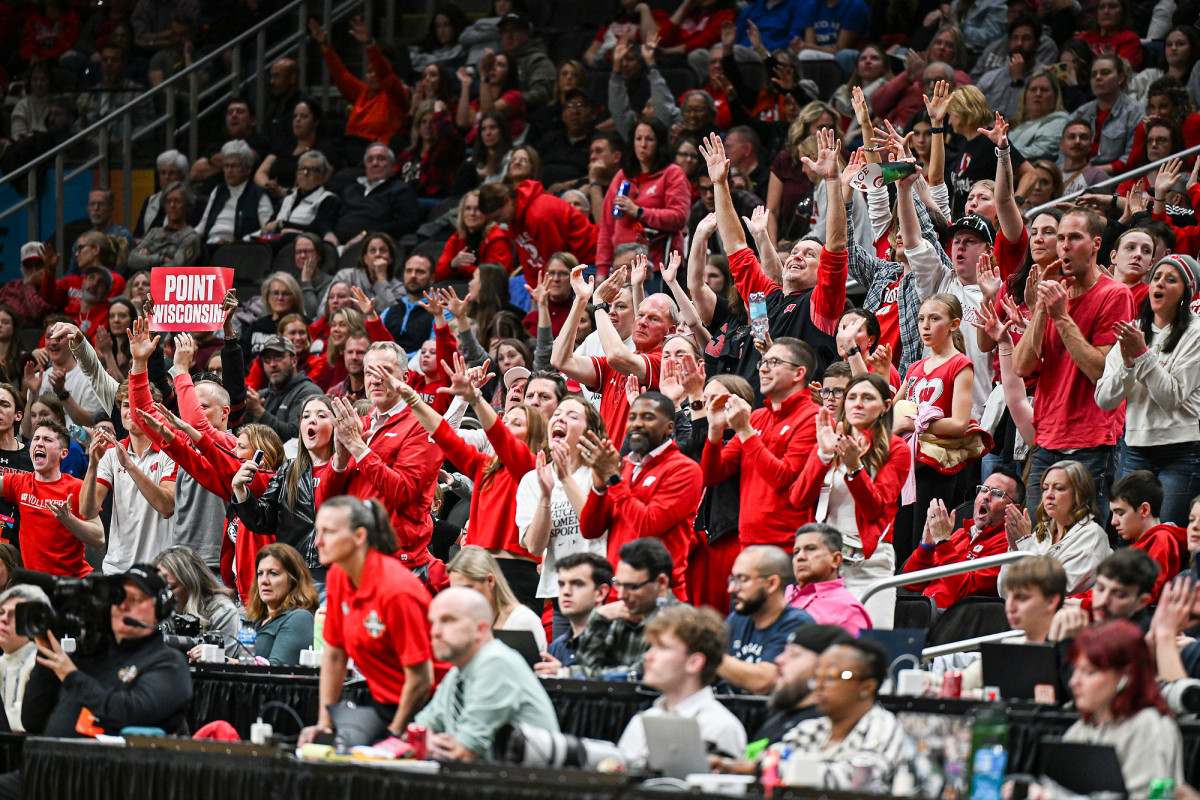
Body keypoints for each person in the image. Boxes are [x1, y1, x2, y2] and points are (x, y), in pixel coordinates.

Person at [1013, 207, 1135, 520]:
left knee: (1082, 538)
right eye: (1062, 237)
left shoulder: (1115, 295)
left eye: (1075, 238)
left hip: (1093, 441)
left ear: (1096, 244)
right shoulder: (1055, 294)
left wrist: (1061, 316)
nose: (1064, 245)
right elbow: (1022, 367)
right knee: (1039, 538)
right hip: (1047, 438)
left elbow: (1100, 371)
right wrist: (1041, 306)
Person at [298, 498, 434, 744]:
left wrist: (394, 734)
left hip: (428, 707)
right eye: (318, 531)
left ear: (360, 536)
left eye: (328, 532)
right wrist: (324, 724)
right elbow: (334, 655)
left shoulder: (398, 590)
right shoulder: (339, 576)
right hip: (382, 701)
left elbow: (421, 679)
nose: (317, 541)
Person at [316, 342, 445, 590]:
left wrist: (358, 449)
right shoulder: (359, 425)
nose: (375, 379)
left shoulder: (422, 425)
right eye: (369, 372)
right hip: (352, 555)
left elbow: (403, 492)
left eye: (384, 371)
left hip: (398, 562)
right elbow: (325, 503)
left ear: (405, 378)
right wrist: (340, 460)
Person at [791, 372, 908, 625]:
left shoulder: (896, 449)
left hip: (870, 563)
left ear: (886, 406)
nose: (857, 403)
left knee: (867, 650)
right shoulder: (828, 440)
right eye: (852, 397)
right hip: (823, 560)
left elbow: (875, 510)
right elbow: (798, 499)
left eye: (867, 398)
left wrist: (855, 468)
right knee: (820, 650)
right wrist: (823, 455)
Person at [1095, 255, 1200, 528]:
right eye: (1156, 277)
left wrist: (1141, 355)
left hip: (1182, 450)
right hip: (1135, 449)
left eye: (1171, 279)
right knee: (1125, 535)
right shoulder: (1133, 331)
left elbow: (1170, 397)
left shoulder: (1195, 333)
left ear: (1186, 293)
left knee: (1165, 533)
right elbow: (1104, 399)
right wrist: (1128, 366)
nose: (1160, 283)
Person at [579, 392, 702, 601]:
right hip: (614, 594)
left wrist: (613, 479)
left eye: (648, 417)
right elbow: (590, 530)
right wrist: (599, 488)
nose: (637, 423)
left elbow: (648, 526)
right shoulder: (623, 466)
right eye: (633, 417)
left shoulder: (685, 470)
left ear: (670, 428)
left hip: (656, 597)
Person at [414, 586, 559, 761]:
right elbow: (417, 731)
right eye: (433, 622)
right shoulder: (458, 672)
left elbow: (464, 752)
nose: (435, 632)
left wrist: (426, 745)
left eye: (448, 620)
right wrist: (424, 742)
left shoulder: (496, 662)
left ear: (481, 628)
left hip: (524, 784)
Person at [518, 396, 610, 631]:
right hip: (561, 595)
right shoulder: (533, 479)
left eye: (573, 416)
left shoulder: (600, 472)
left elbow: (595, 526)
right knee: (562, 665)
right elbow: (535, 547)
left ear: (589, 433)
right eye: (558, 413)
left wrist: (565, 479)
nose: (560, 417)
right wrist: (546, 496)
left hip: (601, 592)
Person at [1063, 620, 1183, 800]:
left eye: (1089, 672)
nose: (1074, 682)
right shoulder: (1081, 729)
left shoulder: (1149, 727)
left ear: (1126, 676)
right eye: (1075, 671)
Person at [617, 604, 748, 767]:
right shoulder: (642, 720)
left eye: (663, 648)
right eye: (651, 646)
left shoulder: (720, 727)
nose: (648, 656)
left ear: (694, 662)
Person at [773, 639, 905, 789]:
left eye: (830, 676)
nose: (818, 685)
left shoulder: (883, 727)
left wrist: (769, 769)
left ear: (867, 687)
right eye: (816, 676)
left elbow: (852, 780)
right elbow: (770, 758)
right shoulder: (811, 727)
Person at [232, 395, 335, 584]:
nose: (312, 420)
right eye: (305, 416)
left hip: (335, 573)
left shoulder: (347, 469)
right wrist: (239, 489)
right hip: (294, 573)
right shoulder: (288, 470)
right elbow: (262, 520)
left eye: (321, 416)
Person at [80, 381, 176, 575]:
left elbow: (166, 507)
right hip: (117, 569)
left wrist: (129, 466)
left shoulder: (170, 452)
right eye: (126, 405)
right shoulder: (110, 454)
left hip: (160, 571)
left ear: (154, 410)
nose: (131, 411)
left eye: (138, 404)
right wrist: (93, 464)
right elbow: (87, 511)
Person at [902, 468, 1024, 608]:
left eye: (997, 493)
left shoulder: (1008, 544)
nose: (986, 497)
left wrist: (943, 542)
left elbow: (964, 593)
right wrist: (927, 546)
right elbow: (910, 583)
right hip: (923, 611)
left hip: (955, 621)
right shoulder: (960, 534)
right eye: (983, 490)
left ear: (1014, 509)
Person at [0, 422, 102, 577]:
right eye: (36, 439)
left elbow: (98, 538)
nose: (40, 443)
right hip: (35, 584)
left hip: (70, 584)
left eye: (47, 440)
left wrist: (68, 520)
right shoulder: (21, 482)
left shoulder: (76, 487)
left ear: (64, 453)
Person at [596, 116, 691, 279]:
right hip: (623, 266)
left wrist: (640, 212)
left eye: (649, 139)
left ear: (659, 143)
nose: (643, 145)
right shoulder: (622, 176)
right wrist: (602, 269)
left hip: (659, 266)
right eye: (638, 139)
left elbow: (679, 217)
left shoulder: (672, 173)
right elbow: (607, 227)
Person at [570, 538, 678, 678]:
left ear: (661, 583)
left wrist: (571, 673)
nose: (621, 595)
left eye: (632, 587)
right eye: (618, 584)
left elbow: (640, 676)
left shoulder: (680, 622)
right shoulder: (620, 616)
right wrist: (598, 619)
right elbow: (587, 668)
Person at [1000, 460, 1112, 595]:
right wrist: (1014, 550)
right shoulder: (1041, 532)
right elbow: (1004, 591)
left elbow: (1055, 592)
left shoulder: (1092, 536)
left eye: (1058, 488)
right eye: (1045, 488)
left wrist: (1024, 543)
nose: (1049, 495)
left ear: (1079, 494)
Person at [960, 554, 1066, 691]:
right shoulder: (1009, 646)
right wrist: (926, 679)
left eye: (1021, 598)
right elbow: (961, 683)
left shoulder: (1072, 653)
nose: (1010, 607)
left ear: (1051, 601)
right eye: (1008, 596)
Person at [718, 546, 814, 695]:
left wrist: (707, 655)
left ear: (772, 584)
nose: (731, 589)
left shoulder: (798, 624)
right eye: (732, 579)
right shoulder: (737, 619)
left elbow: (764, 681)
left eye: (742, 579)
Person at [309, 15, 410, 151]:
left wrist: (370, 44)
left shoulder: (396, 95)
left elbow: (385, 75)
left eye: (376, 71)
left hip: (377, 156)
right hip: (351, 152)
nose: (373, 75)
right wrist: (324, 45)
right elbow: (341, 74)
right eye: (369, 71)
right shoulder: (363, 93)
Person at [477, 180, 597, 280]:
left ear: (508, 200)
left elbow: (557, 259)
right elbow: (529, 264)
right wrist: (535, 297)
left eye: (498, 217)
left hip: (588, 261)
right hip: (568, 266)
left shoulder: (539, 214)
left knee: (575, 304)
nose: (499, 222)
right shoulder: (515, 220)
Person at [1107, 471, 1188, 603]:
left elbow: (1143, 594)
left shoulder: (1161, 539)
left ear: (1144, 510)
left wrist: (1085, 604)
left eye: (1120, 513)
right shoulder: (1139, 541)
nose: (1113, 522)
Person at [447, 546, 546, 651]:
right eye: (456, 591)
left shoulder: (521, 620)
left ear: (490, 581)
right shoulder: (468, 621)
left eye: (468, 588)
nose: (461, 597)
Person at [152, 545, 239, 657]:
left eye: (172, 587)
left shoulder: (222, 612)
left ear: (191, 585)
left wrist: (208, 654)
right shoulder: (158, 611)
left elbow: (226, 667)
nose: (164, 595)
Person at [786, 524, 872, 636]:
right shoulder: (783, 595)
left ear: (836, 560)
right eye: (796, 551)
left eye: (810, 549)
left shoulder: (848, 610)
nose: (800, 557)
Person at [243, 543, 319, 666]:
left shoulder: (300, 618)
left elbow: (278, 669)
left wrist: (230, 662)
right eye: (260, 573)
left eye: (273, 573)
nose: (264, 581)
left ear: (294, 579)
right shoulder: (257, 620)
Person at [331, 144, 421, 247]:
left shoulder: (401, 190)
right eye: (370, 160)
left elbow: (407, 223)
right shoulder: (352, 189)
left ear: (392, 167)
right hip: (335, 246)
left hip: (372, 246)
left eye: (381, 159)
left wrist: (367, 235)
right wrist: (328, 232)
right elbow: (330, 215)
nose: (375, 163)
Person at [536, 552, 612, 673]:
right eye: (561, 584)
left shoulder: (617, 639)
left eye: (577, 584)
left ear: (601, 592)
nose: (566, 591)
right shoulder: (557, 646)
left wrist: (566, 673)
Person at [244, 335, 323, 443]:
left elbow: (298, 435)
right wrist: (247, 415)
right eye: (267, 359)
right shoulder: (262, 395)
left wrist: (260, 413)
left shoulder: (309, 393)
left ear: (294, 361)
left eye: (278, 357)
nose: (273, 364)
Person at [195, 140, 274, 247]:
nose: (229, 170)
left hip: (240, 251)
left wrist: (239, 243)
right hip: (210, 246)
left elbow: (268, 231)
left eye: (234, 166)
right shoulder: (218, 191)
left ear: (248, 169)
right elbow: (202, 225)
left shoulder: (258, 195)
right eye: (226, 166)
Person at [0, 584, 56, 734]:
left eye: (13, 615)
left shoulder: (42, 663)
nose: (4, 619)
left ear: (34, 621)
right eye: (1, 612)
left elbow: (24, 722)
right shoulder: (2, 661)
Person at [1074, 54, 1143, 168]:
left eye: (1105, 73)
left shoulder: (1135, 112)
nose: (1098, 78)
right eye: (1094, 74)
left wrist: (1092, 172)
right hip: (1077, 175)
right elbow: (1063, 155)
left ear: (1120, 78)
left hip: (1113, 179)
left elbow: (1131, 159)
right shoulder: (1081, 112)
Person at [260, 149, 341, 241]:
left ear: (322, 177)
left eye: (312, 170)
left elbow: (317, 229)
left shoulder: (328, 199)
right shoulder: (288, 199)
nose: (305, 173)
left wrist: (281, 225)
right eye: (302, 168)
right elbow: (269, 225)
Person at [435, 191, 514, 283]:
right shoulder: (457, 237)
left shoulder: (497, 237)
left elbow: (494, 277)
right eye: (468, 208)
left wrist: (463, 267)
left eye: (477, 209)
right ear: (462, 212)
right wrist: (453, 264)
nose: (472, 213)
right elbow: (438, 275)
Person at [126, 183, 200, 270]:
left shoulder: (190, 237)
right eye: (168, 201)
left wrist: (146, 257)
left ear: (187, 206)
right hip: (142, 281)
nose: (172, 205)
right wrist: (160, 258)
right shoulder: (154, 232)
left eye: (177, 201)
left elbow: (176, 267)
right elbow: (132, 259)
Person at [67, 188, 135, 273]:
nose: (96, 208)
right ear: (88, 209)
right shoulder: (81, 240)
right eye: (92, 204)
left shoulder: (122, 236)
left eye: (101, 204)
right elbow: (71, 275)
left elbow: (122, 271)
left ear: (111, 209)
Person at [1008, 70, 1069, 162]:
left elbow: (1042, 150)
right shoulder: (1017, 125)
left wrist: (1001, 156)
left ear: (1055, 96)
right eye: (1033, 89)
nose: (1038, 94)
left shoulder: (1060, 120)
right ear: (1025, 95)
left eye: (1044, 90)